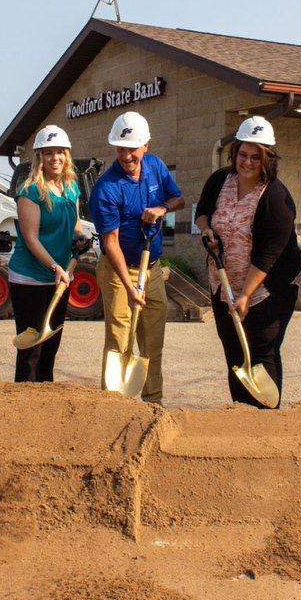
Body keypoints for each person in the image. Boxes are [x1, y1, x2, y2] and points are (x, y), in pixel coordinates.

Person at [195, 116, 301, 408]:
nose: (248, 162)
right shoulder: (220, 180)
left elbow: (268, 256)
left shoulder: (277, 199)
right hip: (223, 281)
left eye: (256, 157)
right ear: (235, 153)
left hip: (270, 288)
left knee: (261, 350)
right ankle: (241, 413)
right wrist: (207, 231)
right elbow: (202, 212)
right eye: (243, 154)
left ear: (267, 158)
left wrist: (245, 296)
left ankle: (267, 416)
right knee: (233, 350)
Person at [90, 111, 185, 405]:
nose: (126, 155)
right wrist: (130, 288)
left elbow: (178, 199)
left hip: (152, 269)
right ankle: (114, 405)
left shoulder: (156, 167)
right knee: (120, 341)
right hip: (119, 272)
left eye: (132, 148)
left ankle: (153, 404)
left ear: (146, 145)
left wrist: (162, 209)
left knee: (153, 342)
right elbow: (111, 243)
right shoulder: (106, 188)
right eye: (120, 148)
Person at [8, 125, 85, 383]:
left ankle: (46, 401)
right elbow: (30, 239)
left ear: (67, 155)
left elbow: (74, 225)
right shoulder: (30, 192)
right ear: (39, 157)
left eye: (60, 152)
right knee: (32, 349)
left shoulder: (72, 188)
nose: (55, 158)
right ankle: (24, 403)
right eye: (48, 152)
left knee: (51, 345)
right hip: (30, 278)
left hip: (61, 277)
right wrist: (55, 267)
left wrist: (80, 237)